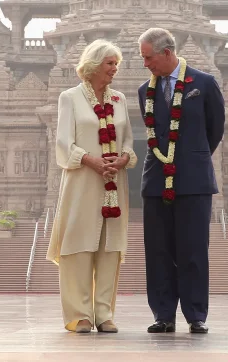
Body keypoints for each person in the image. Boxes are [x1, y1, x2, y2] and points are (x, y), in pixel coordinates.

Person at [137, 27, 225, 334]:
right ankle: (163, 314)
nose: (145, 64)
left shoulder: (203, 84)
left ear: (166, 52)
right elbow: (154, 133)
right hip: (156, 180)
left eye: (148, 57)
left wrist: (193, 157)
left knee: (193, 250)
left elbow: (215, 130)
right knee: (158, 250)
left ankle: (195, 314)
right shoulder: (143, 91)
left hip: (194, 180)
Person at [47, 39, 137, 333]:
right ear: (94, 65)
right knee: (78, 244)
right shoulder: (70, 97)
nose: (114, 69)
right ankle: (79, 315)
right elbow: (63, 142)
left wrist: (123, 159)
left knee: (110, 247)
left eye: (116, 64)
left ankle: (104, 314)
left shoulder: (119, 100)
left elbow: (126, 140)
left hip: (113, 181)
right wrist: (91, 161)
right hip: (82, 180)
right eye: (110, 64)